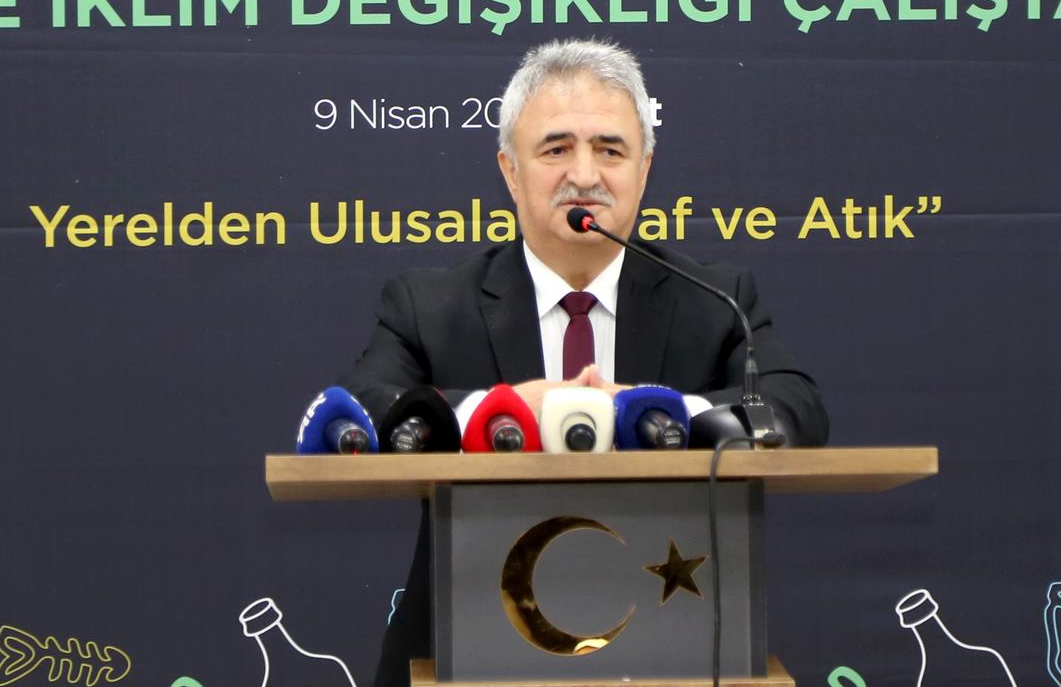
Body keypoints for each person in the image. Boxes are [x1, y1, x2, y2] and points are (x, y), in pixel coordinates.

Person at [342, 38, 827, 687]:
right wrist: (502, 413)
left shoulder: (717, 301)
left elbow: (796, 410)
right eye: (556, 149)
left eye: (610, 150)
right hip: (462, 644)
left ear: (644, 170)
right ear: (510, 171)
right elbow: (362, 410)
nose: (585, 174)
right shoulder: (430, 306)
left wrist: (655, 415)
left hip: (675, 642)